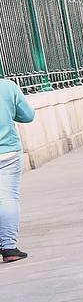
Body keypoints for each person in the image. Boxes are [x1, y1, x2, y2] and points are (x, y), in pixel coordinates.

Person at [0, 73, 33, 262]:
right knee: (7, 198)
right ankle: (9, 248)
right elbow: (27, 115)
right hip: (7, 152)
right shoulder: (7, 86)